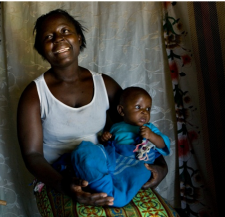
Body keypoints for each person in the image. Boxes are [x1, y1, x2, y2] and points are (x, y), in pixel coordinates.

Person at [17, 9, 177, 216]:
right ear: (41, 48)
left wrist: (161, 168)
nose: (59, 39)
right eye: (49, 37)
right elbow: (32, 155)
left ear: (78, 37)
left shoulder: (105, 85)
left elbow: (137, 130)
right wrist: (67, 186)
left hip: (108, 164)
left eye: (65, 31)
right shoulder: (34, 95)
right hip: (59, 175)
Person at [71, 86, 171, 207]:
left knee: (142, 173)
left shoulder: (149, 128)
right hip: (115, 158)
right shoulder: (116, 127)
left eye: (148, 108)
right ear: (122, 111)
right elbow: (110, 146)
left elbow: (164, 144)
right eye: (138, 107)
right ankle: (102, 184)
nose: (144, 111)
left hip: (135, 162)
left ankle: (113, 195)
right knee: (85, 152)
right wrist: (106, 138)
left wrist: (152, 136)